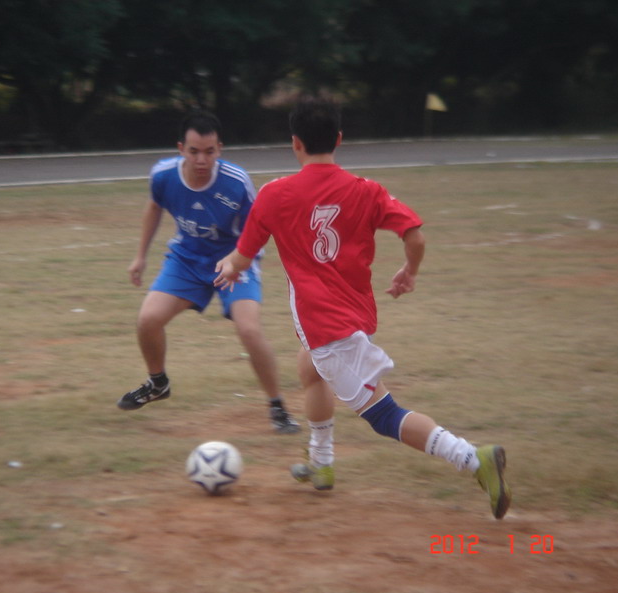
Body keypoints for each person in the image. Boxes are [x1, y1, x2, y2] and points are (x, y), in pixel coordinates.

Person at [214, 98, 511, 519]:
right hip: (351, 318)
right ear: (338, 139)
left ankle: (472, 457)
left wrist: (228, 266)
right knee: (309, 369)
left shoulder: (274, 194)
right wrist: (409, 271)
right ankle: (321, 462)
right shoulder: (366, 190)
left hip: (327, 329)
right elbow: (415, 235)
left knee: (383, 415)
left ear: (295, 143)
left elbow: (242, 260)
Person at [118, 109, 300, 434]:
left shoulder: (236, 182)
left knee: (249, 330)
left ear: (220, 149)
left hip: (235, 257)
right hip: (187, 258)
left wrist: (236, 261)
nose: (202, 160)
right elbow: (154, 206)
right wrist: (140, 256)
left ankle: (278, 407)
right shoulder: (163, 175)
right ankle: (157, 383)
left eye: (209, 151)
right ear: (181, 149)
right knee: (148, 320)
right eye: (194, 151)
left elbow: (258, 227)